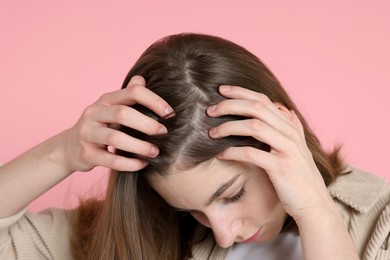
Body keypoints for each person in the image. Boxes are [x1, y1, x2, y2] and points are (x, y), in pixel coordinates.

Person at [0, 33, 389, 260]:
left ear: (279, 135)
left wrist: (315, 211)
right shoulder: (147, 233)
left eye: (233, 194)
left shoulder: (380, 221)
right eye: (190, 210)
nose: (222, 234)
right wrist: (63, 152)